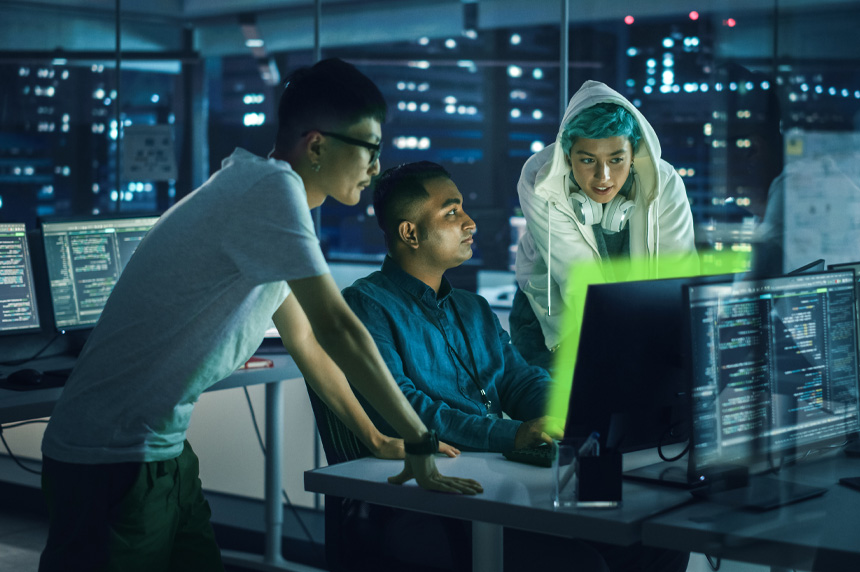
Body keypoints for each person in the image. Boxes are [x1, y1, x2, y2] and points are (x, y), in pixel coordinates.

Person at [37, 59, 481, 572]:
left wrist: (378, 438)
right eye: (370, 148)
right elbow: (339, 329)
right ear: (317, 145)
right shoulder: (269, 193)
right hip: (110, 457)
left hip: (161, 451)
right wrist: (418, 440)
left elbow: (307, 341)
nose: (377, 168)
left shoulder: (262, 192)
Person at [341, 161, 689, 572]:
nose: (470, 222)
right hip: (420, 500)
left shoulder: (473, 308)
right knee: (582, 565)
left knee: (657, 541)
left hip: (491, 483)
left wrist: (571, 412)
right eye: (452, 213)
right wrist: (513, 434)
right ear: (410, 233)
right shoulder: (367, 305)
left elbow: (518, 379)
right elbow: (405, 407)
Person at [510, 80, 698, 370]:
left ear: (634, 153)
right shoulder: (540, 180)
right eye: (587, 160)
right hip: (550, 313)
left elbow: (678, 272)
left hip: (638, 323)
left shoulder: (666, 183)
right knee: (561, 411)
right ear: (567, 155)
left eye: (617, 159)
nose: (603, 177)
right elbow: (578, 281)